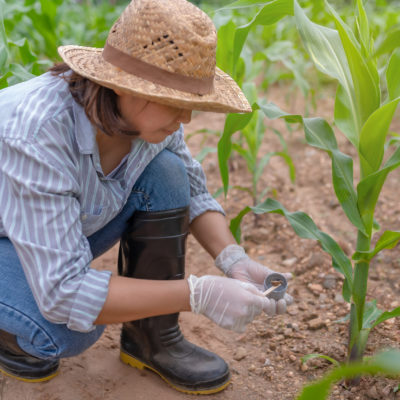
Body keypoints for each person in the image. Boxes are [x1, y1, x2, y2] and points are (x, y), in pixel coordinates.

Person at [0, 0, 293, 394]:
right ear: (123, 84)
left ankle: (152, 339)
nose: (186, 118)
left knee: (167, 172)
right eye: (174, 100)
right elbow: (64, 294)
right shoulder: (38, 133)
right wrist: (198, 294)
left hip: (39, 230)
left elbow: (192, 190)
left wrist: (233, 260)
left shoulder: (149, 120)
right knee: (62, 329)